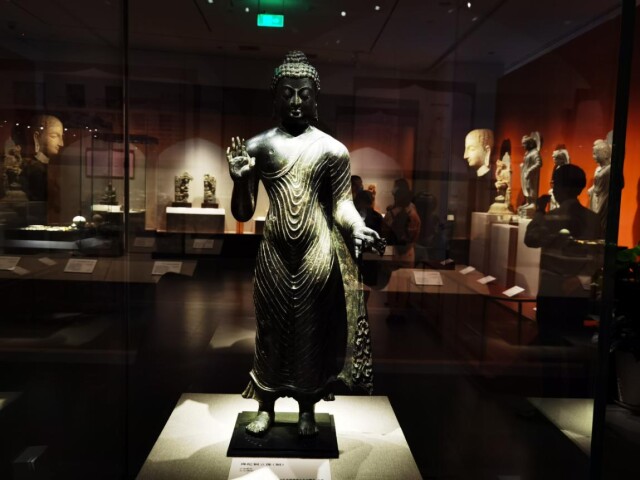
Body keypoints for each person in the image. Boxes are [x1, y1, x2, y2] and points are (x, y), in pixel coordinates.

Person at [226, 51, 381, 437]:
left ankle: (308, 406)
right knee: (270, 330)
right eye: (288, 93)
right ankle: (266, 404)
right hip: (274, 254)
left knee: (312, 330)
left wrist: (358, 226)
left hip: (317, 253)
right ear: (275, 97)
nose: (296, 101)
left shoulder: (333, 150)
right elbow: (243, 213)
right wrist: (241, 180)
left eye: (304, 94)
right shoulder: (258, 146)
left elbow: (342, 204)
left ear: (316, 98)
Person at [524, 164, 601, 344]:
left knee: (548, 341)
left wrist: (539, 211)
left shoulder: (553, 217)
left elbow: (531, 239)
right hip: (578, 292)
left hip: (552, 288)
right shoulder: (593, 219)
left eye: (555, 184)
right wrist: (580, 279)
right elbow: (598, 254)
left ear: (560, 187)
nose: (553, 189)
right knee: (572, 341)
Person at [19, 114, 64, 201]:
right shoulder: (33, 168)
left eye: (61, 136)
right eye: (54, 136)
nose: (61, 143)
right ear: (37, 137)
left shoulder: (53, 167)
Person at [588, 139, 612, 235]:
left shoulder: (608, 170)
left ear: (605, 154)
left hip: (602, 200)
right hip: (596, 198)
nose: (593, 156)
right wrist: (592, 189)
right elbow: (596, 185)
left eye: (596, 154)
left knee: (600, 223)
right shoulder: (599, 169)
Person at [520, 133, 542, 211]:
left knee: (531, 188)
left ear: (530, 144)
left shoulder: (535, 152)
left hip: (532, 174)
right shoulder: (528, 153)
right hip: (525, 173)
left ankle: (533, 203)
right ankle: (528, 202)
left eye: (524, 144)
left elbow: (539, 163)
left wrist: (530, 170)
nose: (523, 146)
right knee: (526, 188)